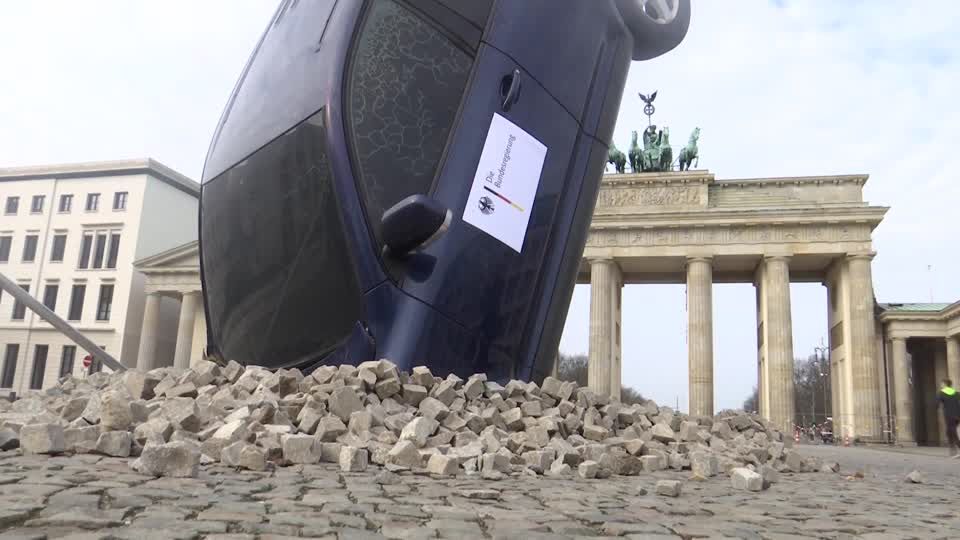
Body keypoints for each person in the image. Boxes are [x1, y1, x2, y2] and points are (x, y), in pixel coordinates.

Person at [937, 378, 960, 457]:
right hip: (957, 415)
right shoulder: (956, 393)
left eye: (942, 383)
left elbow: (937, 403)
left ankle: (955, 449)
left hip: (949, 415)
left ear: (945, 384)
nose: (941, 385)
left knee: (952, 432)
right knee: (949, 432)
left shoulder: (941, 393)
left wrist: (936, 407)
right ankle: (953, 451)